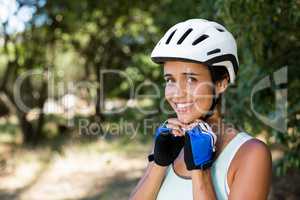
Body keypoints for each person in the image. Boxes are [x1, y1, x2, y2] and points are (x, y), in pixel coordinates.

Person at [129, 19, 272, 200]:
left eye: (190, 79)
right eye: (170, 80)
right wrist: (158, 163)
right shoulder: (168, 142)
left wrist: (200, 172)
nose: (177, 94)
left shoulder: (250, 154)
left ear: (221, 83)